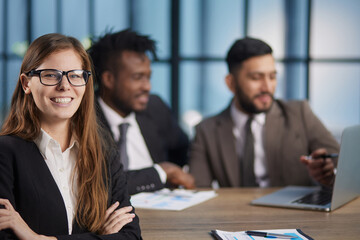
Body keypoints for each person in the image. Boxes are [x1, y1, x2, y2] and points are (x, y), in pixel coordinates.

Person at [0, 33, 141, 239]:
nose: (65, 85)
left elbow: (131, 236)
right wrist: (99, 236)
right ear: (26, 83)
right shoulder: (5, 153)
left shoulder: (103, 151)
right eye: (50, 75)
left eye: (75, 75)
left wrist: (39, 238)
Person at [189, 37, 340, 188]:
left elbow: (341, 163)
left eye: (272, 77)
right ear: (231, 83)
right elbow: (198, 190)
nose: (267, 87)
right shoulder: (206, 131)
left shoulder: (299, 113)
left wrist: (327, 173)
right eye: (256, 78)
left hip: (292, 209)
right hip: (235, 210)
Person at [88, 29, 194, 195]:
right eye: (138, 77)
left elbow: (184, 152)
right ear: (108, 79)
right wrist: (160, 173)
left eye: (148, 77)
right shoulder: (83, 117)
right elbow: (97, 184)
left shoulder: (155, 106)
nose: (147, 87)